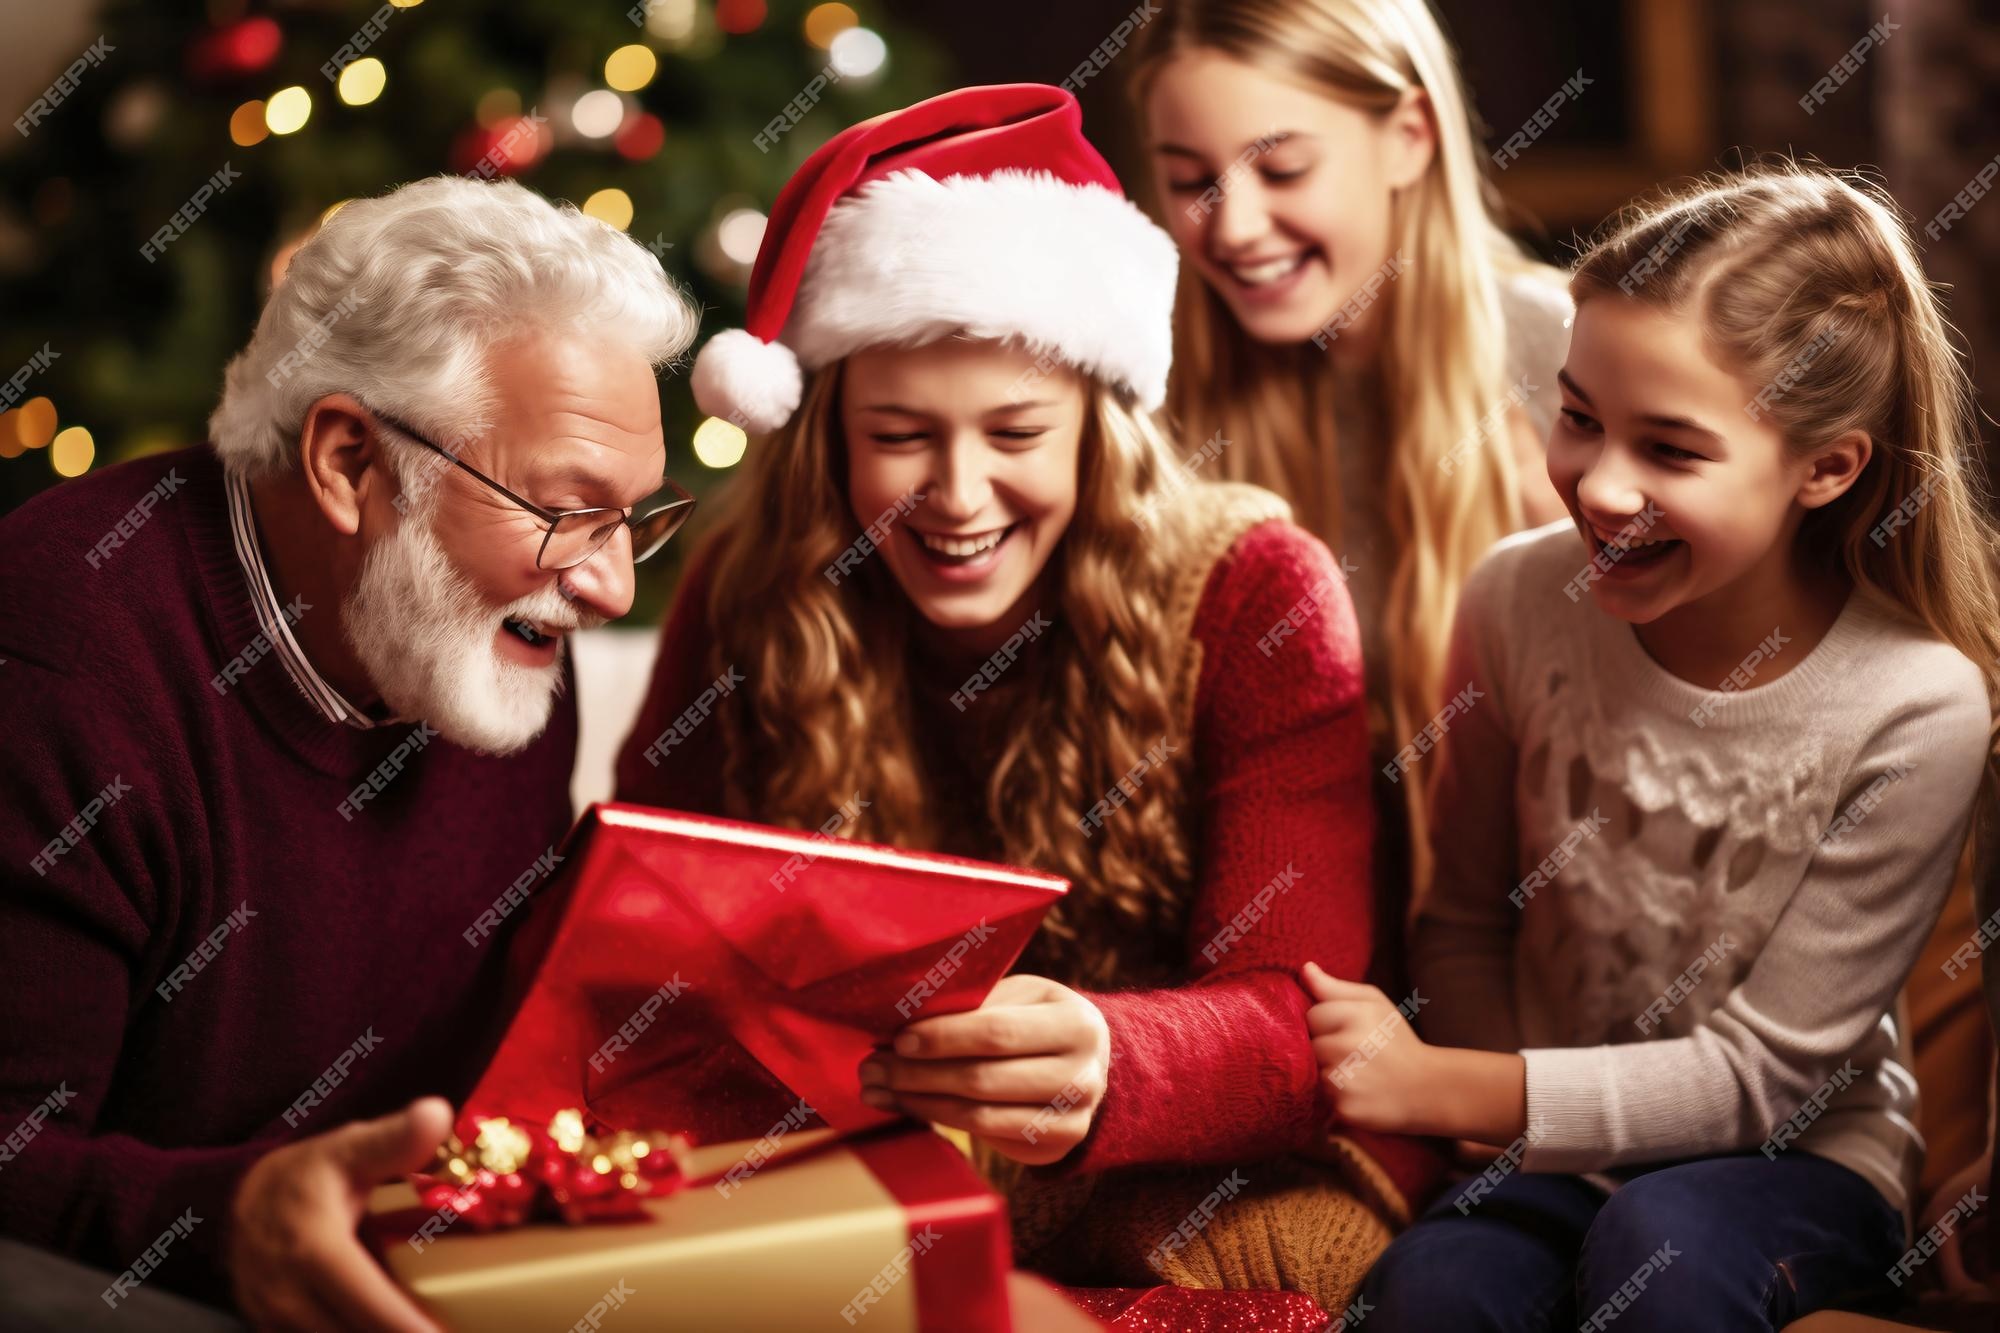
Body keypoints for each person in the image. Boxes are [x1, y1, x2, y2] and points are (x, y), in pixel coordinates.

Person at [616, 83, 1433, 1311]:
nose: (956, 491)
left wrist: (1113, 1056)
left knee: (1272, 1274)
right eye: (900, 434)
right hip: (865, 1160)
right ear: (828, 434)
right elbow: (649, 939)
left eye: (1014, 432)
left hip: (1200, 1172)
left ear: (1094, 431)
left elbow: (1300, 1024)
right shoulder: (750, 589)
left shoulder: (1256, 590)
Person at [1305, 164, 1999, 1330]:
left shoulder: (1916, 702)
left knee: (1660, 1244)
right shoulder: (1516, 600)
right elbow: (1467, 917)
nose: (1600, 482)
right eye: (1578, 417)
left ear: (1826, 469)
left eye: (1671, 450)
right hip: (1541, 1151)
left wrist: (1438, 1084)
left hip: (1796, 1167)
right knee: (1433, 1289)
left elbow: (1761, 1079)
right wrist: (1503, 1119)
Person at [0, 175, 699, 1329]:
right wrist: (240, 1221)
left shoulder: (490, 650)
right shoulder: (59, 664)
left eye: (632, 516)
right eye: (565, 509)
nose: (609, 583)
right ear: (348, 463)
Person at [1130, 0, 1575, 926]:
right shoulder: (1160, 394)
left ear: (1410, 136)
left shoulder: (1568, 358)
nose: (1236, 225)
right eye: (1189, 180)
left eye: (1282, 167)